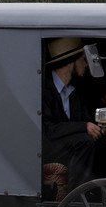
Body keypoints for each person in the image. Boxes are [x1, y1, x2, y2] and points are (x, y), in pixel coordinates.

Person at [41, 37, 102, 195]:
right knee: (85, 142)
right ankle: (76, 195)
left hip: (68, 147)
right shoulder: (45, 90)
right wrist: (84, 127)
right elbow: (49, 129)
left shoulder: (75, 91)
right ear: (70, 63)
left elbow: (85, 119)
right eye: (83, 60)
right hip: (48, 148)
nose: (86, 65)